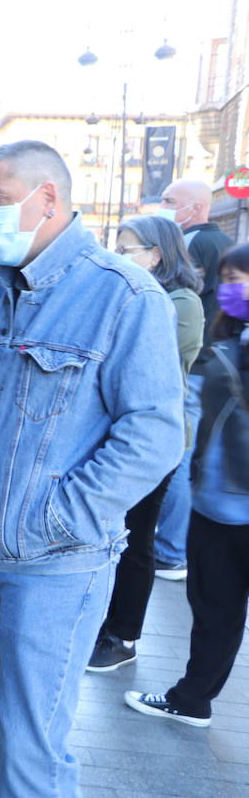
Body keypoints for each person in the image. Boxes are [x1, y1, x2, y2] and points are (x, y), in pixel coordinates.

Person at [0, 141, 184, 798]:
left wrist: (59, 515)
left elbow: (156, 433)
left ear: (48, 199)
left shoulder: (123, 296)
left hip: (55, 566)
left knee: (32, 749)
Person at [126, 243, 249, 727]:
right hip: (214, 507)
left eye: (242, 278)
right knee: (213, 612)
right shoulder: (224, 342)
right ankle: (192, 699)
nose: (233, 289)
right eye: (228, 278)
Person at [86, 216, 204, 672]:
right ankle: (105, 623)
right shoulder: (135, 293)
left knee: (136, 540)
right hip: (118, 432)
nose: (119, 256)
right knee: (117, 534)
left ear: (156, 254)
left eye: (129, 248)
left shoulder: (181, 303)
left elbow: (134, 353)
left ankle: (123, 636)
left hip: (153, 440)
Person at [152, 179, 235, 580]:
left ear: (197, 206)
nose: (163, 205)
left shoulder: (198, 243)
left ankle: (170, 550)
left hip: (196, 364)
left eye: (171, 200)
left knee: (181, 453)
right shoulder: (216, 242)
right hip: (205, 362)